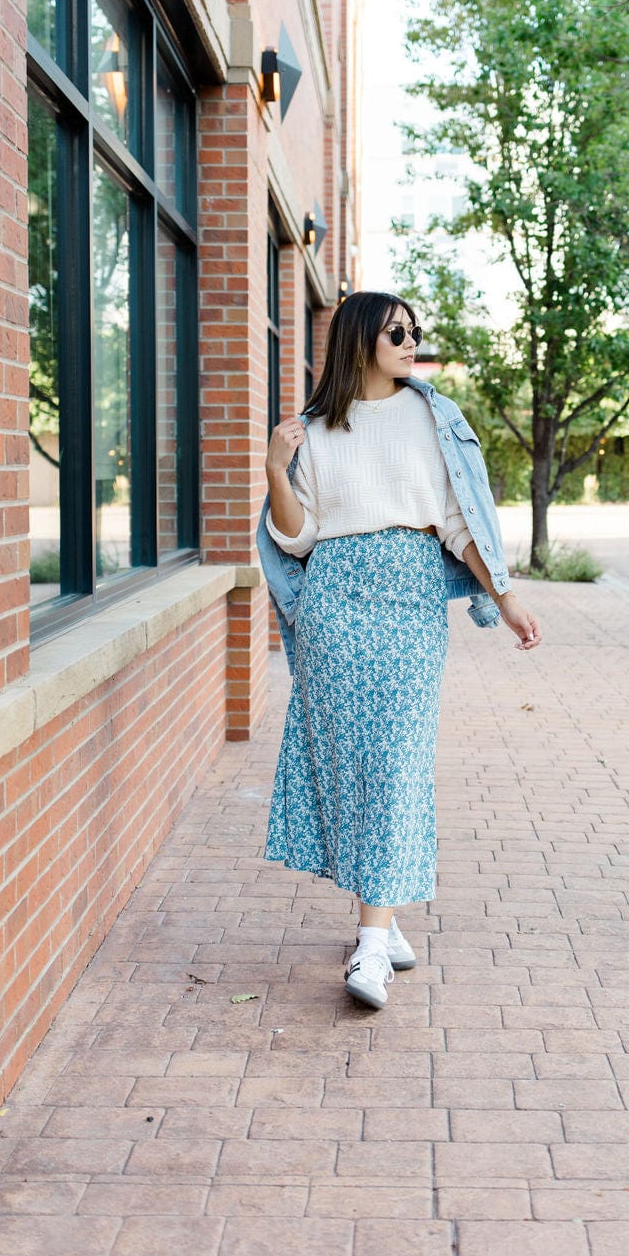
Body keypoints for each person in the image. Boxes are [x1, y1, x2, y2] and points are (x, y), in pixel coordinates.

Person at [257, 291, 541, 1009]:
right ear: (361, 341)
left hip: (410, 600)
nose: (411, 342)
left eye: (415, 332)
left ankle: (374, 941)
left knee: (396, 760)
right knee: (354, 763)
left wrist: (504, 597)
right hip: (334, 603)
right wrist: (274, 471)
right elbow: (296, 537)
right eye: (397, 333)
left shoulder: (432, 416)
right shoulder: (316, 430)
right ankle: (379, 921)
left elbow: (458, 519)